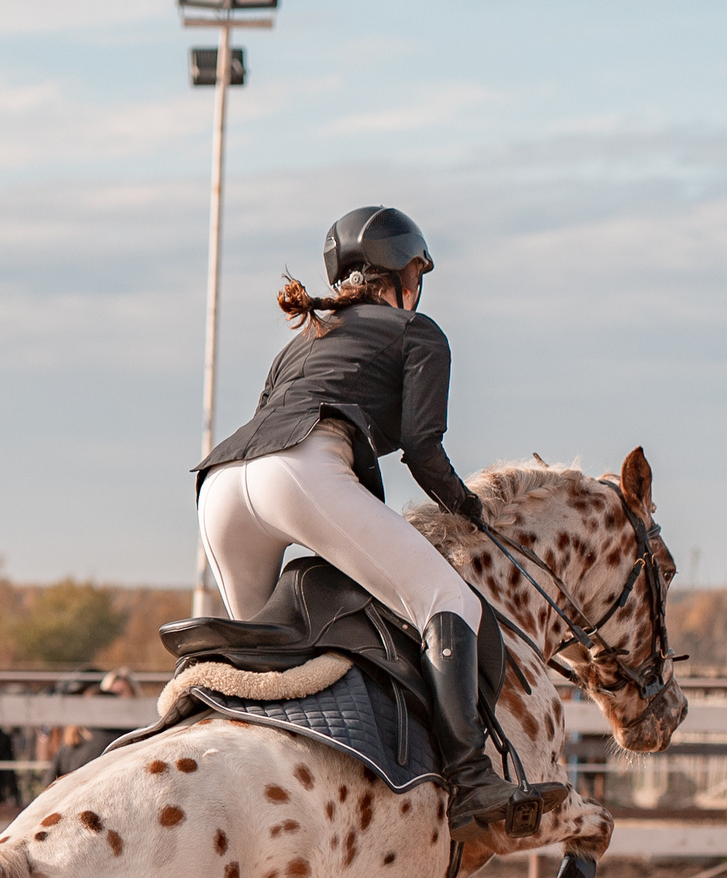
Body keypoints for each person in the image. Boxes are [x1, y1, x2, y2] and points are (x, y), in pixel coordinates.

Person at [192, 205, 561, 841]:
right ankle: (473, 779)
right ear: (402, 273)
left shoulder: (300, 340)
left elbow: (277, 427)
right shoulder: (418, 331)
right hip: (302, 470)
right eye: (416, 271)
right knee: (447, 598)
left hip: (222, 484)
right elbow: (422, 449)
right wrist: (465, 509)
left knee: (257, 667)